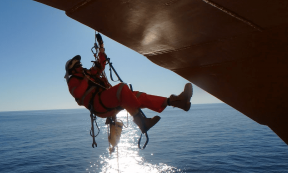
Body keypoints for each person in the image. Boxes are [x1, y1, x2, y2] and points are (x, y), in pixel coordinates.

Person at [64, 34, 193, 134]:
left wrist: (101, 47)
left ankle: (176, 101)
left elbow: (100, 67)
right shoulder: (73, 81)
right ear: (72, 69)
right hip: (99, 105)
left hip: (107, 101)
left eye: (80, 64)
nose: (81, 66)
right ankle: (142, 123)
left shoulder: (87, 73)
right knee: (121, 88)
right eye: (78, 65)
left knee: (137, 96)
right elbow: (79, 93)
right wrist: (87, 78)